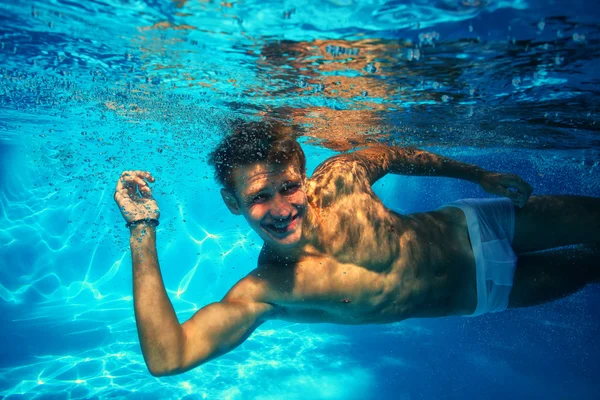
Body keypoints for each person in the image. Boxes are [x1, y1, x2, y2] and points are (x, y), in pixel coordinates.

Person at [114, 120, 599, 377]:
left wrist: (478, 174)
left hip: (485, 224)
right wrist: (142, 231)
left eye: (287, 188)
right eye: (258, 198)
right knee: (591, 266)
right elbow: (168, 358)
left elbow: (394, 155)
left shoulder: (341, 180)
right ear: (232, 203)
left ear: (302, 174)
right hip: (489, 293)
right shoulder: (268, 290)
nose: (281, 209)